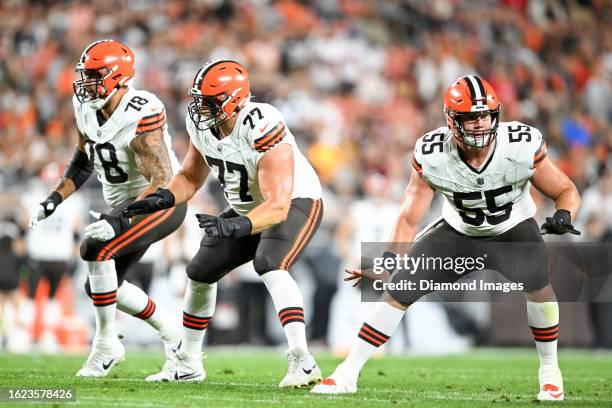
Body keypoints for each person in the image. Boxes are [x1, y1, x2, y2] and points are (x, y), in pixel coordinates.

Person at [311, 75, 581, 401]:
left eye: (485, 116)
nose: (480, 125)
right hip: (459, 233)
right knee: (398, 289)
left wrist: (565, 215)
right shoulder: (432, 153)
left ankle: (550, 372)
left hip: (513, 230)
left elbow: (565, 190)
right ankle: (348, 372)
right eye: (471, 117)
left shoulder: (521, 143)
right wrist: (389, 259)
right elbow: (409, 215)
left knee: (539, 288)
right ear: (453, 120)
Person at [123, 60, 323, 387]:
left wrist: (235, 226)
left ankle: (302, 359)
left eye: (210, 100)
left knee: (270, 263)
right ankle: (187, 362)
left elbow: (276, 207)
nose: (201, 106)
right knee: (200, 270)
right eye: (199, 98)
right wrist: (162, 198)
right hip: (251, 206)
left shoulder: (262, 123)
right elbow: (190, 177)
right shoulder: (202, 124)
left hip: (295, 201)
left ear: (235, 99)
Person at [28, 39, 187, 377]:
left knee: (94, 250)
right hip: (126, 206)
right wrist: (53, 199)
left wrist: (118, 219)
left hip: (160, 203)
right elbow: (85, 159)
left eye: (94, 75)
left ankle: (106, 344)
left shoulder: (142, 109)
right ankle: (173, 334)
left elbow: (161, 180)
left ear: (120, 77)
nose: (86, 83)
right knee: (100, 287)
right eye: (84, 75)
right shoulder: (85, 105)